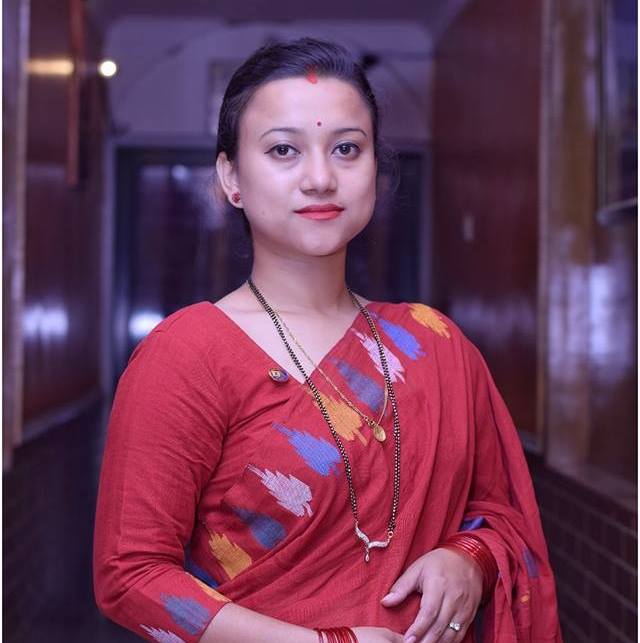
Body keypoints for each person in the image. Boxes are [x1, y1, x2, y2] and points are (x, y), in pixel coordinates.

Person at [93, 38, 563, 643]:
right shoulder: (187, 355)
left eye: (346, 148)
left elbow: (499, 514)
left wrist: (468, 558)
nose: (320, 178)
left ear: (375, 172)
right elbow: (131, 578)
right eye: (283, 150)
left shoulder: (435, 345)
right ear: (231, 178)